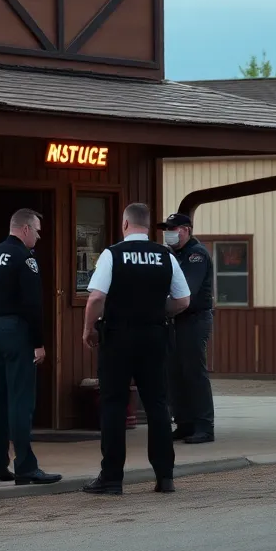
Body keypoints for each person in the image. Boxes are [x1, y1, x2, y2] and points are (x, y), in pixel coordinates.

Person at [81, 203, 191, 495]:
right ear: (146, 226)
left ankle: (112, 477)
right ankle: (165, 476)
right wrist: (156, 311)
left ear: (126, 224)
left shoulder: (112, 254)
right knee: (157, 404)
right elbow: (183, 301)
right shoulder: (165, 255)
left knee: (114, 404)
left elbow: (95, 298)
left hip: (118, 337)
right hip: (155, 337)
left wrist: (88, 328)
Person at [0, 208, 62, 485]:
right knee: (20, 401)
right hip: (16, 331)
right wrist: (38, 342)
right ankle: (25, 466)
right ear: (25, 229)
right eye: (37, 231)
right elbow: (33, 305)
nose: (38, 236)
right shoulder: (25, 259)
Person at [158, 212, 215, 444]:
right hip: (175, 320)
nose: (169, 233)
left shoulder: (195, 255)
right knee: (175, 373)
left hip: (194, 319)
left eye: (174, 229)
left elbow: (186, 293)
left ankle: (204, 426)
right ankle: (184, 423)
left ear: (186, 230)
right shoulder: (175, 254)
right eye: (167, 229)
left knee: (194, 372)